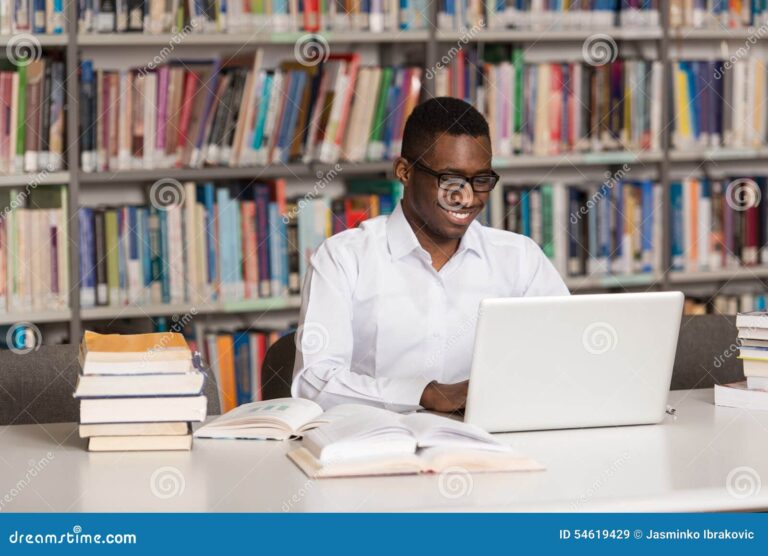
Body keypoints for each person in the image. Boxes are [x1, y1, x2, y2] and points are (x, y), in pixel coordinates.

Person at [291, 97, 569, 413]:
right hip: (371, 447)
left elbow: (566, 357)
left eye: (481, 180)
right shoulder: (344, 258)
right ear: (404, 171)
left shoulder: (520, 259)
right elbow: (314, 383)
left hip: (489, 444)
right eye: (449, 179)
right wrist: (424, 394)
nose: (467, 197)